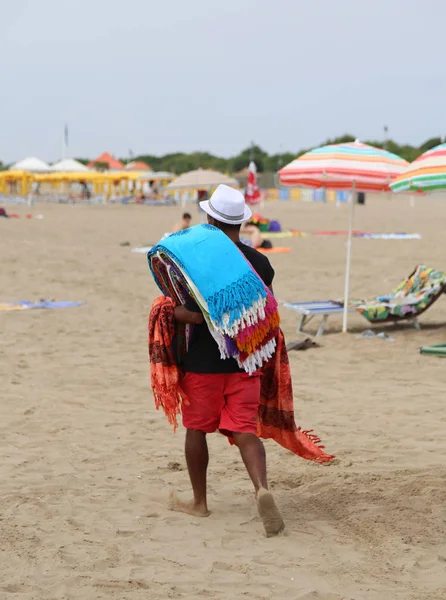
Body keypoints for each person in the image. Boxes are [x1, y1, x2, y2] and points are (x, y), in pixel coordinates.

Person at [170, 184, 284, 537]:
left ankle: (200, 503)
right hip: (245, 362)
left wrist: (172, 311)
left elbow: (194, 316)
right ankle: (261, 488)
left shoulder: (199, 263)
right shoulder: (262, 264)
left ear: (210, 219)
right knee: (245, 431)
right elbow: (261, 310)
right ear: (240, 222)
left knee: (196, 429)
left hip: (203, 364)